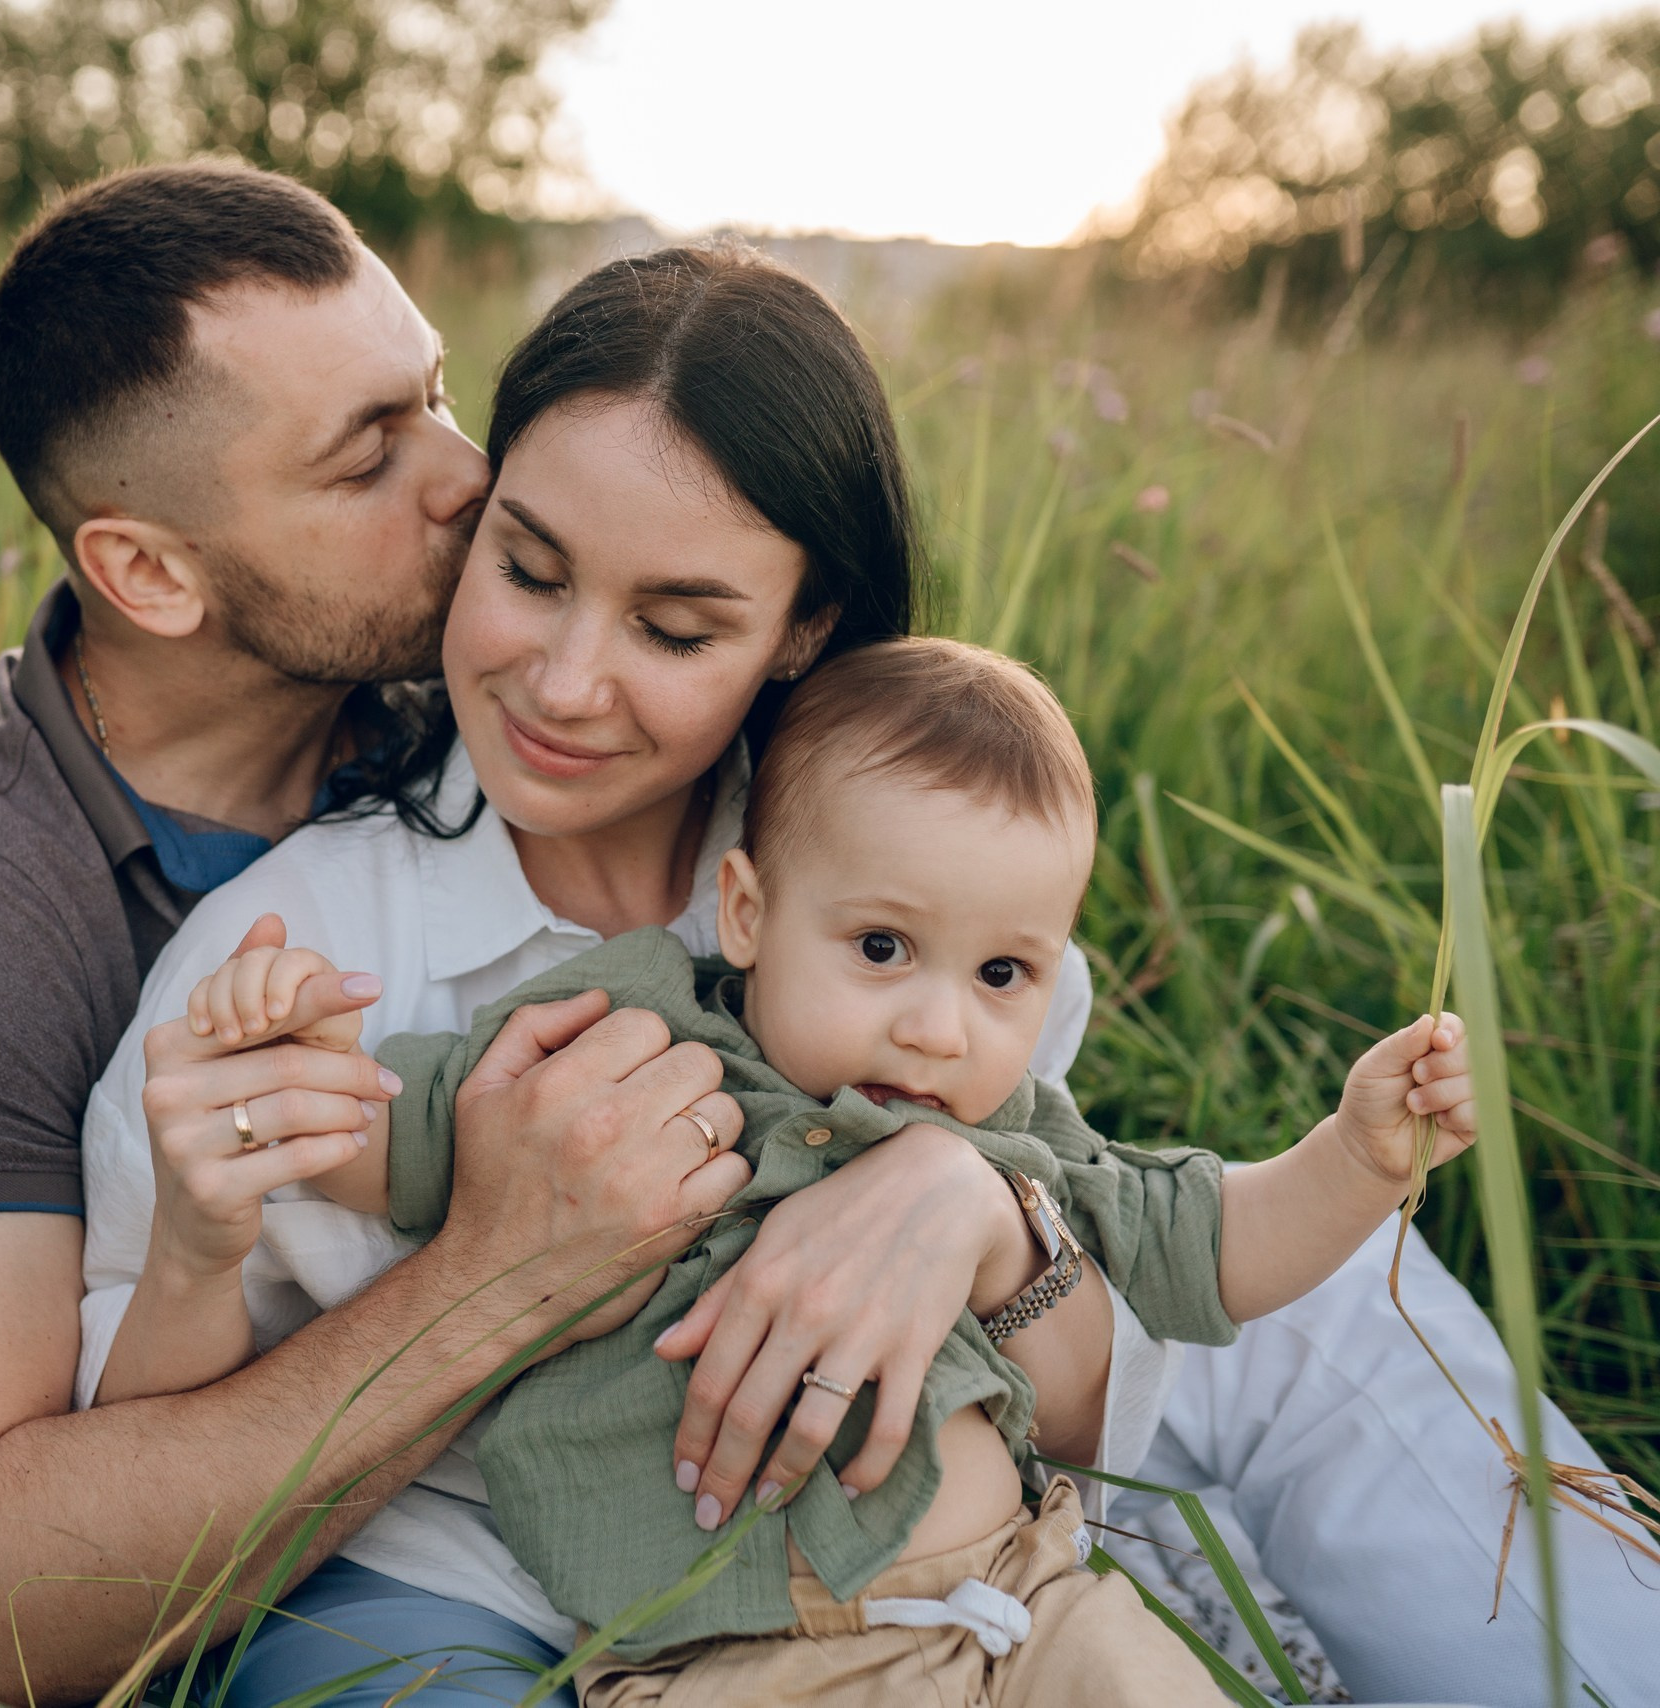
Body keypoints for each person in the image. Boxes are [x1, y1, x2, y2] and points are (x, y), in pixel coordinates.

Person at [0, 166, 1643, 1708]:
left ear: (790, 632)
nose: (461, 507)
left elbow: (1069, 1259)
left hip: (871, 1484)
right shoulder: (20, 899)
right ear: (152, 568)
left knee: (1351, 1318)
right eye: (388, 462)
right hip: (297, 1495)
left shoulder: (779, 787)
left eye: (443, 403)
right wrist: (508, 1259)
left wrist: (967, 1192)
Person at [97, 635, 1483, 1704]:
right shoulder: (628, 1044)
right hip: (734, 1655)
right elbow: (393, 1137)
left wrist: (1353, 1157)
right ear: (750, 912)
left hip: (1030, 1602)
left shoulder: (1015, 1133)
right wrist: (295, 1053)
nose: (937, 1026)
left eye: (1002, 974)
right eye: (881, 949)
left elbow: (1217, 1243)